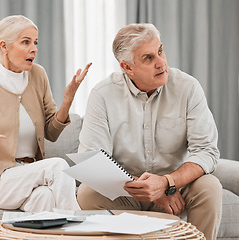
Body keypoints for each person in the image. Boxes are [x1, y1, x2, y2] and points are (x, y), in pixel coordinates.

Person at [76, 23, 222, 240]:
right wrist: (151, 192)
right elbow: (93, 161)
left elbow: (207, 151)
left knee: (210, 186)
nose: (161, 63)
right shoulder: (102, 95)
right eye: (148, 58)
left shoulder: (188, 87)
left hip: (176, 189)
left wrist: (166, 184)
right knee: (88, 193)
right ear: (127, 67)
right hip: (126, 192)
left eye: (160, 51)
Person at [0, 15, 91, 213]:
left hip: (24, 177)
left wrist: (68, 99)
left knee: (45, 197)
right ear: (4, 46)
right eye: (25, 42)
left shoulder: (38, 75)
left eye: (35, 42)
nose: (34, 48)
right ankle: (82, 227)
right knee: (57, 166)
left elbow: (51, 133)